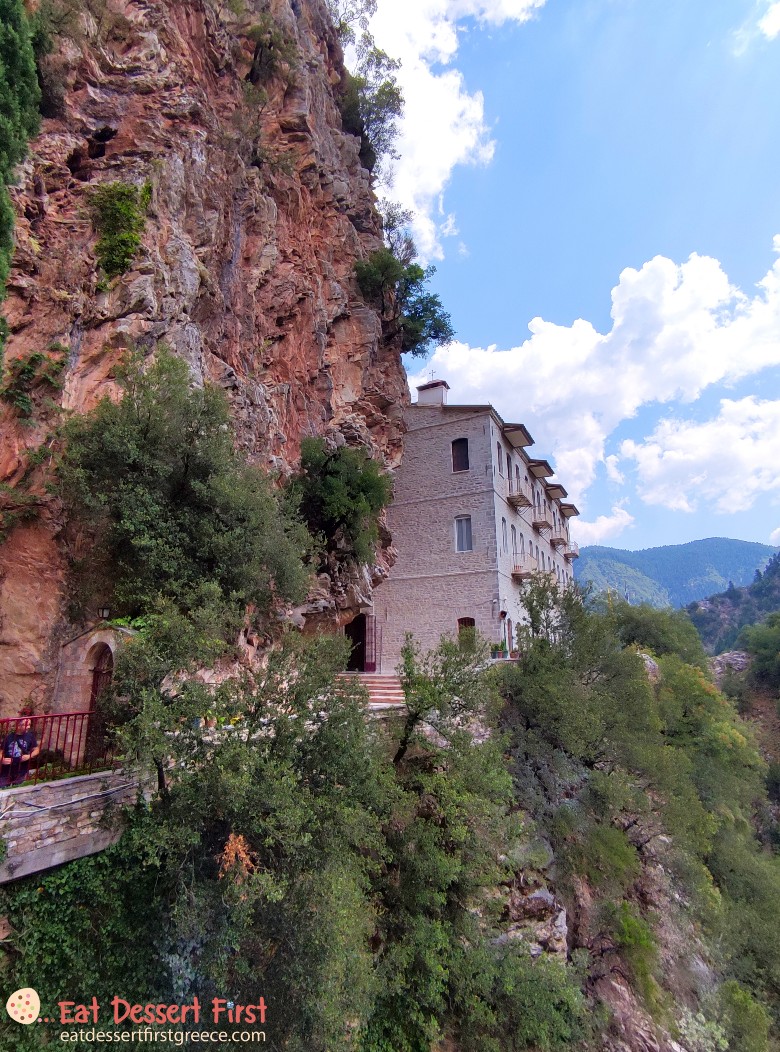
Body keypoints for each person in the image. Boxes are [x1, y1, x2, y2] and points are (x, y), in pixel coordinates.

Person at [1, 716, 39, 786]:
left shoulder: (30, 736)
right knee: (3, 788)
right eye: (26, 725)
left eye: (29, 725)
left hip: (22, 770)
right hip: (7, 769)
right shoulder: (8, 737)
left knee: (18, 787)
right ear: (18, 725)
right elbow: (1, 751)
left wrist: (29, 756)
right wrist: (2, 759)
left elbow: (36, 749)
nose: (28, 727)